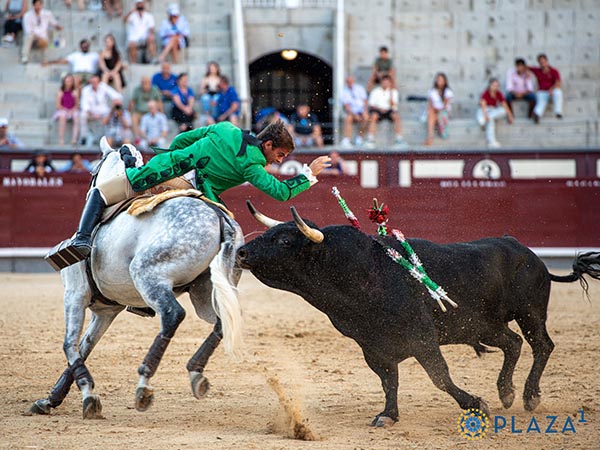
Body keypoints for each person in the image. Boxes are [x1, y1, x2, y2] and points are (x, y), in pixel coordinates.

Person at [66, 120, 332, 258]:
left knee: (101, 191)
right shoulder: (252, 165)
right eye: (281, 154)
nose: (280, 160)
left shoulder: (226, 128)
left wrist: (171, 160)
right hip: (207, 195)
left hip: (169, 171)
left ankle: (81, 239)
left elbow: (183, 139)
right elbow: (282, 193)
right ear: (268, 144)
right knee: (228, 230)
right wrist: (308, 174)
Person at [80, 74, 123, 146]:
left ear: (99, 82)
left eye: (96, 82)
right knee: (82, 115)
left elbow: (117, 96)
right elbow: (84, 106)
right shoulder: (86, 90)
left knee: (113, 112)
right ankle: (83, 137)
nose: (94, 84)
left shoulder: (103, 87)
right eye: (93, 82)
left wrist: (115, 100)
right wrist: (92, 114)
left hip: (104, 112)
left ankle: (111, 137)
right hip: (91, 112)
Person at [366, 75, 405, 147]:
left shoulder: (394, 92)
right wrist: (379, 109)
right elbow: (371, 105)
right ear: (381, 82)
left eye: (387, 82)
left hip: (389, 111)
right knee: (373, 116)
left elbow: (394, 106)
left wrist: (390, 94)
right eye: (384, 82)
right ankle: (370, 138)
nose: (385, 83)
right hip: (378, 110)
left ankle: (399, 139)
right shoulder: (375, 91)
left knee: (396, 117)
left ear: (390, 83)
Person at [21, 0, 62, 64]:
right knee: (29, 36)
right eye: (36, 5)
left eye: (40, 5)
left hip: (43, 38)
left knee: (51, 33)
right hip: (33, 38)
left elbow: (53, 22)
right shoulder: (27, 15)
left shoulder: (47, 14)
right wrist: (38, 38)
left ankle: (45, 58)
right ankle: (25, 57)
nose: (38, 7)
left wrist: (58, 26)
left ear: (42, 5)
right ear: (33, 5)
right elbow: (28, 30)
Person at [476, 78, 513, 148]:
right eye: (493, 85)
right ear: (490, 85)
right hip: (483, 111)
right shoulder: (486, 93)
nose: (495, 87)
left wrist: (510, 115)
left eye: (496, 85)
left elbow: (504, 104)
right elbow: (483, 105)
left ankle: (491, 140)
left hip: (492, 111)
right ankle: (491, 141)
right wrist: (485, 115)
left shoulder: (498, 93)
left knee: (503, 111)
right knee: (487, 121)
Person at [529, 53, 563, 123]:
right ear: (539, 63)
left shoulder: (554, 71)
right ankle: (537, 115)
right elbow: (526, 67)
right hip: (542, 91)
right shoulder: (537, 70)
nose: (542, 64)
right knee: (541, 101)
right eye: (541, 62)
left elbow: (558, 83)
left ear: (547, 61)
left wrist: (551, 89)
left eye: (544, 62)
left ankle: (558, 112)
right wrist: (526, 71)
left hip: (552, 91)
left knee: (558, 92)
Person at [424, 72, 454, 146]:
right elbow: (430, 104)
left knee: (433, 114)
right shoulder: (432, 91)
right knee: (431, 114)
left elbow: (444, 106)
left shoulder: (448, 91)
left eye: (441, 80)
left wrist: (435, 109)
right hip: (434, 112)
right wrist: (432, 109)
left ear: (445, 81)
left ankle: (430, 138)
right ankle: (430, 138)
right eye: (438, 79)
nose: (439, 81)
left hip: (443, 112)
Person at [340, 75, 368, 147]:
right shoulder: (344, 92)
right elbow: (347, 106)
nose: (350, 83)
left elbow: (365, 101)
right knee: (348, 119)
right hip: (351, 112)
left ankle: (360, 138)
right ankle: (347, 139)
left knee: (366, 118)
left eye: (351, 81)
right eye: (348, 81)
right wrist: (354, 115)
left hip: (361, 110)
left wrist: (365, 111)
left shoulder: (360, 89)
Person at [52, 74, 80, 146]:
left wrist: (72, 110)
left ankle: (74, 139)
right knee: (62, 116)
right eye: (67, 81)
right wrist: (66, 110)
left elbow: (77, 105)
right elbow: (58, 105)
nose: (68, 83)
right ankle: (61, 139)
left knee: (76, 117)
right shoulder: (60, 92)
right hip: (62, 109)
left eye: (70, 81)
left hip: (72, 110)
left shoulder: (75, 92)